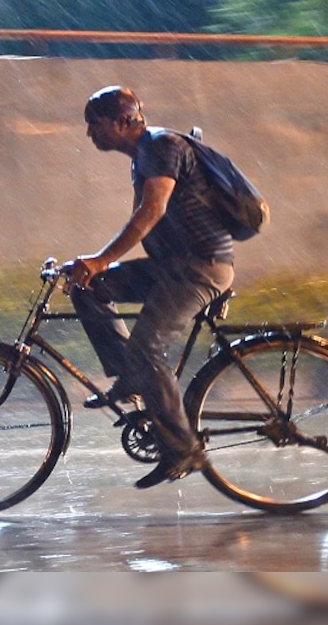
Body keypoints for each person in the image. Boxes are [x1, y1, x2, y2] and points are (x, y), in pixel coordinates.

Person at [66, 86, 236, 490]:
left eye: (96, 124)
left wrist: (100, 259)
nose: (90, 133)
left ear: (123, 120)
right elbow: (142, 223)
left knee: (147, 348)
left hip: (200, 267)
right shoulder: (142, 156)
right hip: (169, 267)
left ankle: (183, 450)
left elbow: (152, 210)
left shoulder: (161, 146)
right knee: (90, 289)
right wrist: (94, 266)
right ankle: (130, 377)